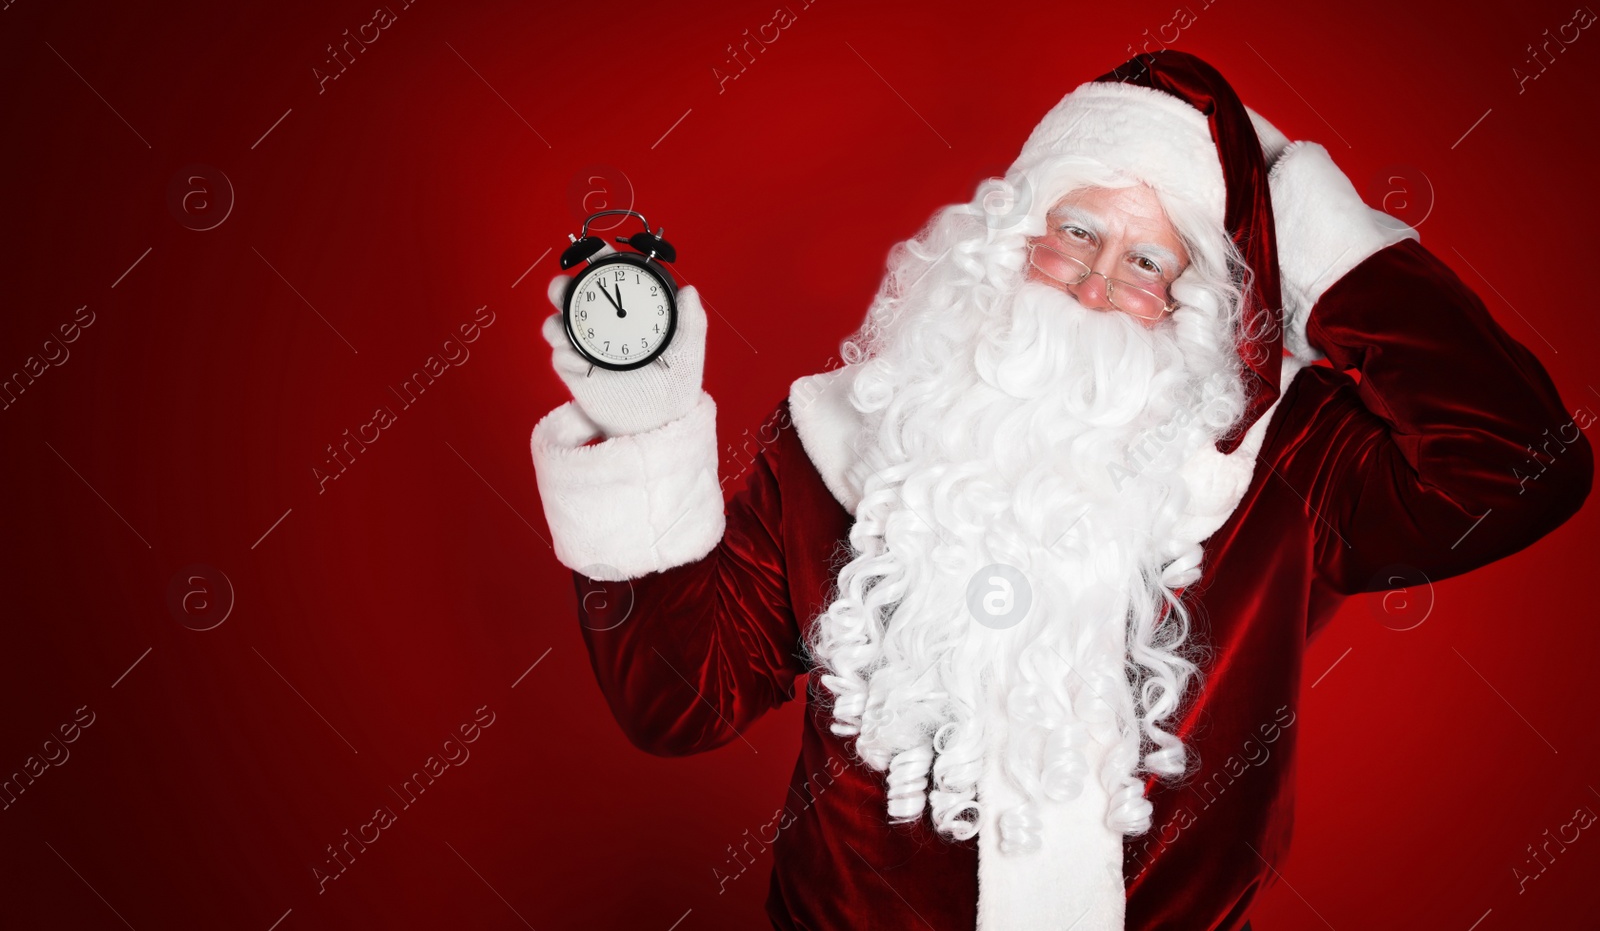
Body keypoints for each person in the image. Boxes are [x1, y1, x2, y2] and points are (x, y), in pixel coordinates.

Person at [528, 50, 1591, 930]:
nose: (1093, 281)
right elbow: (680, 700)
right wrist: (642, 425)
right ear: (1005, 239)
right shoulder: (840, 438)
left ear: (1194, 302)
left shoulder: (1278, 464)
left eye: (1147, 262)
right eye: (1077, 231)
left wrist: (1324, 235)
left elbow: (1523, 462)